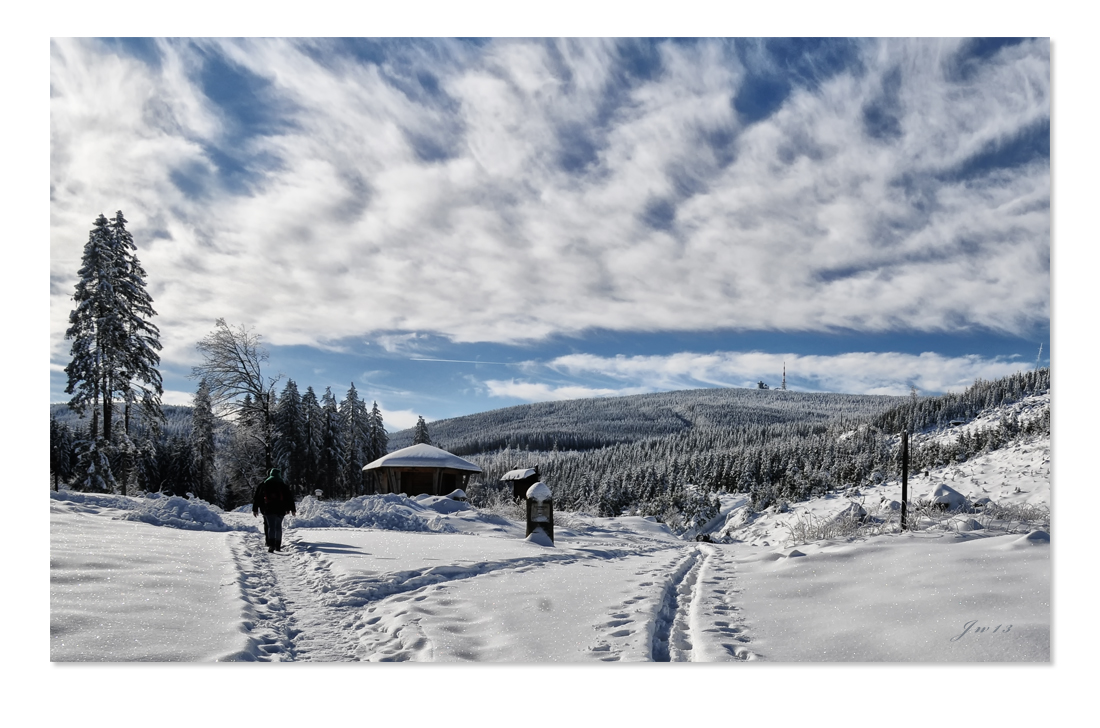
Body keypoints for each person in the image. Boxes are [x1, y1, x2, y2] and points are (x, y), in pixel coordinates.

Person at [252, 468, 297, 553]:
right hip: (280, 509)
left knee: (270, 527)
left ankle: (271, 545)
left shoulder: (264, 484)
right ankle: (278, 546)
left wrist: (255, 509)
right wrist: (292, 509)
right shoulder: (283, 485)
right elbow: (289, 498)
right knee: (278, 527)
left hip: (268, 508)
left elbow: (257, 497)